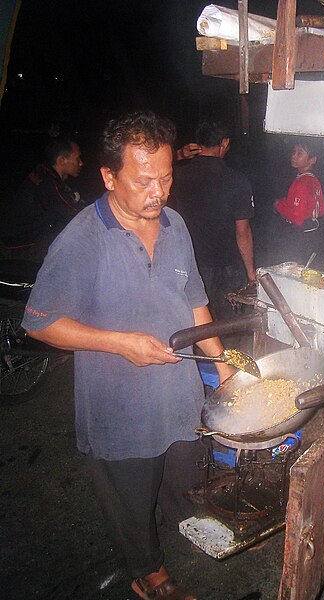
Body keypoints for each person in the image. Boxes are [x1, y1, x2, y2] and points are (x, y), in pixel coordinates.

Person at [22, 110, 233, 600]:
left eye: (165, 177)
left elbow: (195, 300)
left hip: (179, 393)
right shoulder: (82, 240)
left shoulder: (175, 224)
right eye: (143, 181)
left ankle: (178, 528)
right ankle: (147, 573)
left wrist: (222, 367)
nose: (158, 192)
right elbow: (40, 321)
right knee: (130, 499)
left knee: (181, 477)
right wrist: (121, 342)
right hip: (119, 403)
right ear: (109, 176)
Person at [170, 119, 256, 322]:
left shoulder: (178, 177)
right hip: (230, 266)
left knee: (198, 323)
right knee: (231, 324)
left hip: (193, 264)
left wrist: (179, 156)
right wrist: (251, 273)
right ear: (224, 143)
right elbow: (242, 232)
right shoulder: (237, 181)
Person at [2, 135, 85, 260]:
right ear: (61, 160)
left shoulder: (45, 174)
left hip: (21, 241)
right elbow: (73, 214)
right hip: (22, 247)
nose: (81, 163)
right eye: (77, 158)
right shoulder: (48, 184)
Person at [270, 140, 324, 265]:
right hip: (314, 234)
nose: (294, 156)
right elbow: (322, 209)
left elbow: (297, 218)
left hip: (301, 239)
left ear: (312, 160)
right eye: (294, 152)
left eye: (300, 153)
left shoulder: (302, 183)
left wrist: (278, 205)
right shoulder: (314, 180)